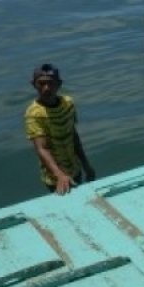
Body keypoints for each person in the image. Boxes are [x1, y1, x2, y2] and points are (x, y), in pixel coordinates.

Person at [24, 64, 95, 195]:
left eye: (51, 83)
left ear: (59, 84)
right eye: (41, 83)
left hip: (75, 169)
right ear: (33, 84)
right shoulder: (33, 113)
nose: (46, 88)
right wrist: (60, 175)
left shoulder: (68, 103)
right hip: (54, 177)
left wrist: (86, 165)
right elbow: (42, 148)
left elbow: (73, 136)